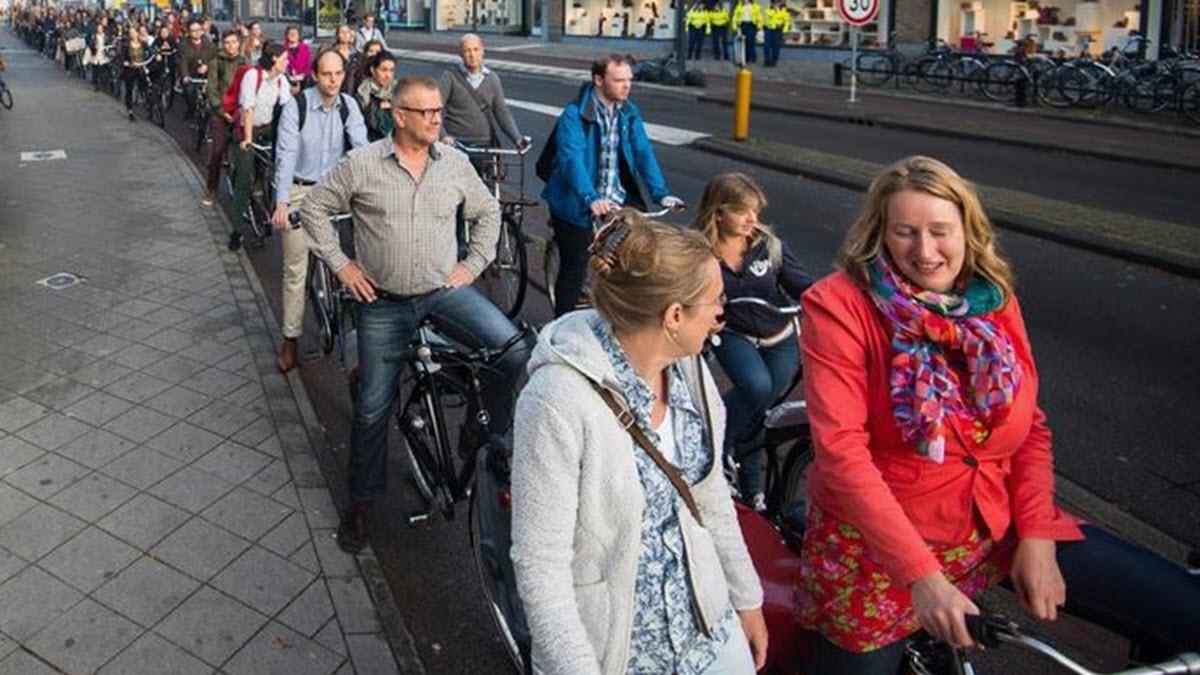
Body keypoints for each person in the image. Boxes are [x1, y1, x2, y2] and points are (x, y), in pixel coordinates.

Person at [794, 155, 1200, 674]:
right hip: (883, 553)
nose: (925, 251)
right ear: (879, 234)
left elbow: (1030, 425)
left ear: (968, 229)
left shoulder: (992, 298)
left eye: (940, 231)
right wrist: (923, 578)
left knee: (1181, 611)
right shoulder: (839, 306)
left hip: (997, 524)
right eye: (905, 232)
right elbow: (842, 456)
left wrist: (1036, 535)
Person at [510, 213, 768, 675]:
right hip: (620, 654)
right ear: (673, 316)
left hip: (708, 633)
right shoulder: (556, 401)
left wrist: (745, 598)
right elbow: (541, 568)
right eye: (715, 302)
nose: (719, 315)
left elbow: (709, 494)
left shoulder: (688, 369)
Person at [298, 76, 531, 555]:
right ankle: (361, 507)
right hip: (382, 303)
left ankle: (478, 431)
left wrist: (472, 265)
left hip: (442, 293)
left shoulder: (454, 164)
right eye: (425, 112)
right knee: (372, 411)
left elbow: (488, 212)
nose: (435, 119)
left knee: (513, 351)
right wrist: (342, 266)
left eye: (438, 112)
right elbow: (316, 209)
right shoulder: (362, 164)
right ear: (399, 115)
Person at [692, 173, 812, 511]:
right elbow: (693, 294)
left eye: (755, 211)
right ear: (718, 213)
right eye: (743, 212)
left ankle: (752, 487)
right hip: (734, 335)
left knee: (761, 408)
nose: (752, 220)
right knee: (756, 388)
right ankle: (717, 450)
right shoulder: (701, 252)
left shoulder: (768, 246)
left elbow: (803, 285)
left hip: (779, 336)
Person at [541, 54, 682, 318]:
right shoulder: (574, 115)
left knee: (632, 263)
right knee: (575, 269)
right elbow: (571, 158)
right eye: (619, 80)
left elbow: (643, 151)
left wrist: (660, 193)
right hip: (575, 202)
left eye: (629, 80)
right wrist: (589, 197)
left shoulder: (628, 113)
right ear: (598, 80)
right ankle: (559, 328)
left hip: (615, 198)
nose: (626, 86)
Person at [271, 49, 369, 373]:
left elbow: (362, 151)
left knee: (352, 263)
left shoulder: (349, 106)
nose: (333, 80)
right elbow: (285, 156)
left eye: (338, 74)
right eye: (327, 74)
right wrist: (282, 202)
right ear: (314, 75)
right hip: (300, 191)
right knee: (295, 271)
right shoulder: (295, 107)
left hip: (334, 193)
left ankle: (355, 335)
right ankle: (290, 340)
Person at [228, 41, 291, 251]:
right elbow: (248, 109)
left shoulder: (282, 81)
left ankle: (263, 207)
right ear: (274, 59)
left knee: (272, 172)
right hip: (250, 130)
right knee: (244, 180)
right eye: (284, 59)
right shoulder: (253, 77)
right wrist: (247, 140)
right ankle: (236, 231)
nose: (287, 63)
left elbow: (288, 109)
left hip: (268, 130)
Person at [437, 33, 527, 150]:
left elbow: (502, 112)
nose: (472, 55)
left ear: (482, 51)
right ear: (461, 54)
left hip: (485, 143)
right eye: (467, 51)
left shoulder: (492, 78)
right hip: (456, 143)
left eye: (476, 49)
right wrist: (443, 136)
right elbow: (436, 109)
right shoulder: (450, 77)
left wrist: (517, 139)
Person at [203, 29, 244, 206]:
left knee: (246, 149)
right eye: (227, 43)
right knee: (218, 152)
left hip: (240, 112)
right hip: (221, 113)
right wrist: (221, 111)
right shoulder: (216, 63)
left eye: (234, 42)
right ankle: (212, 189)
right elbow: (211, 90)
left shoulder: (245, 62)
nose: (231, 46)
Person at [355, 50, 396, 141]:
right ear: (373, 70)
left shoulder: (399, 92)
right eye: (384, 70)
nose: (388, 75)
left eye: (391, 70)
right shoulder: (363, 93)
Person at [178, 19, 215, 112]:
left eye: (199, 29)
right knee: (190, 94)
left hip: (207, 75)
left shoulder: (209, 44)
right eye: (194, 31)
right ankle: (192, 112)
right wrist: (185, 75)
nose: (197, 33)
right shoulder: (184, 45)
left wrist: (207, 66)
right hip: (191, 75)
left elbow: (215, 59)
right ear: (189, 33)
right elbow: (183, 62)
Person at [119, 26, 154, 121]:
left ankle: (148, 103)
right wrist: (125, 62)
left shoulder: (143, 43)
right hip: (130, 69)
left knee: (146, 86)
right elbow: (122, 57)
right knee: (129, 89)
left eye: (134, 32)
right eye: (131, 33)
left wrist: (155, 54)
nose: (133, 34)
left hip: (141, 68)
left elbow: (151, 51)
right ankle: (130, 110)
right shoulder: (126, 45)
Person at [330, 23, 358, 93]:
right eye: (342, 32)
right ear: (337, 35)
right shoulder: (332, 53)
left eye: (347, 32)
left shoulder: (356, 54)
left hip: (353, 90)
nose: (345, 34)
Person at [762, 0, 789, 67]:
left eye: (777, 3)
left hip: (778, 30)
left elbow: (786, 22)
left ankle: (774, 60)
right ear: (771, 3)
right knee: (767, 46)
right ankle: (767, 60)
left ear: (779, 3)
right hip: (768, 30)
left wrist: (784, 31)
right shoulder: (767, 10)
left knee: (776, 47)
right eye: (774, 3)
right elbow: (764, 19)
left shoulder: (783, 12)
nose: (775, 4)